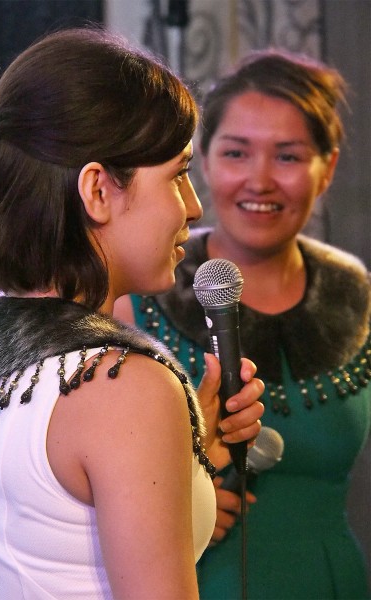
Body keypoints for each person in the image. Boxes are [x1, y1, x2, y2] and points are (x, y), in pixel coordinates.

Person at [0, 27, 266, 600]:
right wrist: (153, 416)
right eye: (178, 175)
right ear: (98, 190)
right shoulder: (124, 384)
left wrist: (190, 452)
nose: (194, 206)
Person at [115, 49, 371, 599]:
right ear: (201, 162)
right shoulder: (133, 294)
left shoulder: (357, 291)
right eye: (236, 152)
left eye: (287, 156)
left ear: (327, 166)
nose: (259, 181)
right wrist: (182, 503)